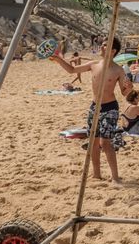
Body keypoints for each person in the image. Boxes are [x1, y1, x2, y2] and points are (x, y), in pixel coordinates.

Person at [50, 38, 133, 182]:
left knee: (105, 143)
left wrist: (129, 88)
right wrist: (59, 60)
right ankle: (96, 174)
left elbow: (124, 93)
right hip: (95, 107)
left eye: (105, 45)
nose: (102, 46)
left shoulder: (118, 70)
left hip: (110, 108)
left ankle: (115, 177)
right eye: (102, 44)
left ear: (113, 51)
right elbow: (72, 70)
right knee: (93, 143)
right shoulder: (93, 64)